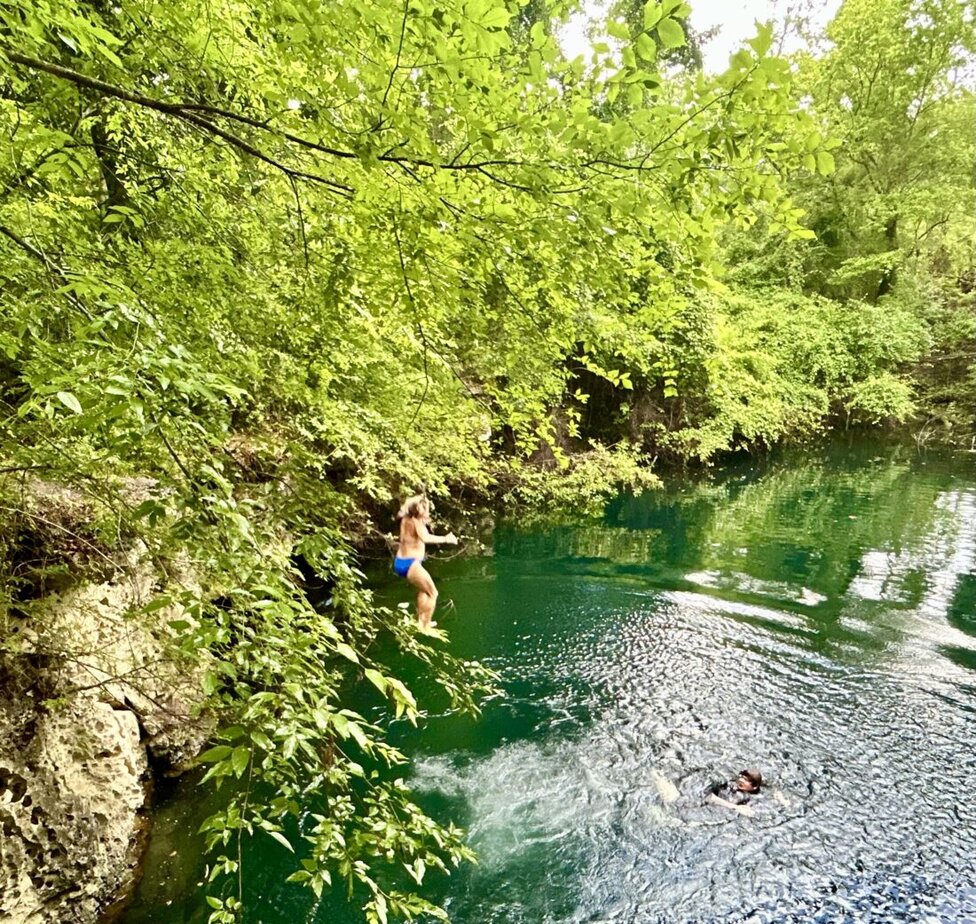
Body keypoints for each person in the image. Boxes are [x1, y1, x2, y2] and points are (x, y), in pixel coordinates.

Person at [394, 494, 457, 630]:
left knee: (424, 590)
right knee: (433, 593)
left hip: (401, 562)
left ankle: (421, 621)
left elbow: (408, 505)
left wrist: (420, 499)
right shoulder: (416, 522)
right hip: (411, 564)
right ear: (419, 510)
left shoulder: (406, 518)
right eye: (425, 508)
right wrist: (446, 539)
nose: (428, 510)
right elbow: (425, 538)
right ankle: (426, 626)